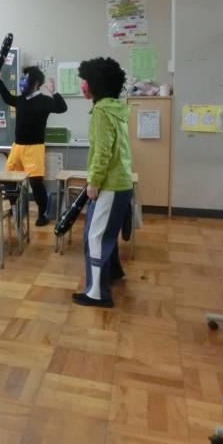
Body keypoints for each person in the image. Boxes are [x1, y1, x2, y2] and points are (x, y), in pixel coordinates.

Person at [72, 57, 133, 308]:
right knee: (107, 232)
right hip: (122, 183)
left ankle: (97, 293)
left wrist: (94, 181)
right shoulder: (116, 109)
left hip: (109, 185)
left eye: (85, 81)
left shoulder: (101, 112)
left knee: (95, 236)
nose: (82, 85)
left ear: (97, 84)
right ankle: (114, 272)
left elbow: (102, 152)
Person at [0, 66, 67, 226]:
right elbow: (7, 98)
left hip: (34, 148)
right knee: (9, 179)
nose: (22, 81)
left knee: (35, 183)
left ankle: (42, 215)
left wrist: (54, 92)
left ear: (35, 83)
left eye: (26, 78)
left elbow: (62, 108)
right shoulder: (21, 100)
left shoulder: (45, 101)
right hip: (17, 147)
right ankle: (14, 209)